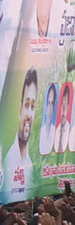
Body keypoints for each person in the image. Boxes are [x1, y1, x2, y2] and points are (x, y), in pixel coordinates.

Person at [3, 69, 35, 200]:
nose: (29, 115)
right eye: (27, 105)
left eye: (33, 107)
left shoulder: (31, 164)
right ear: (20, 110)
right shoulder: (6, 161)